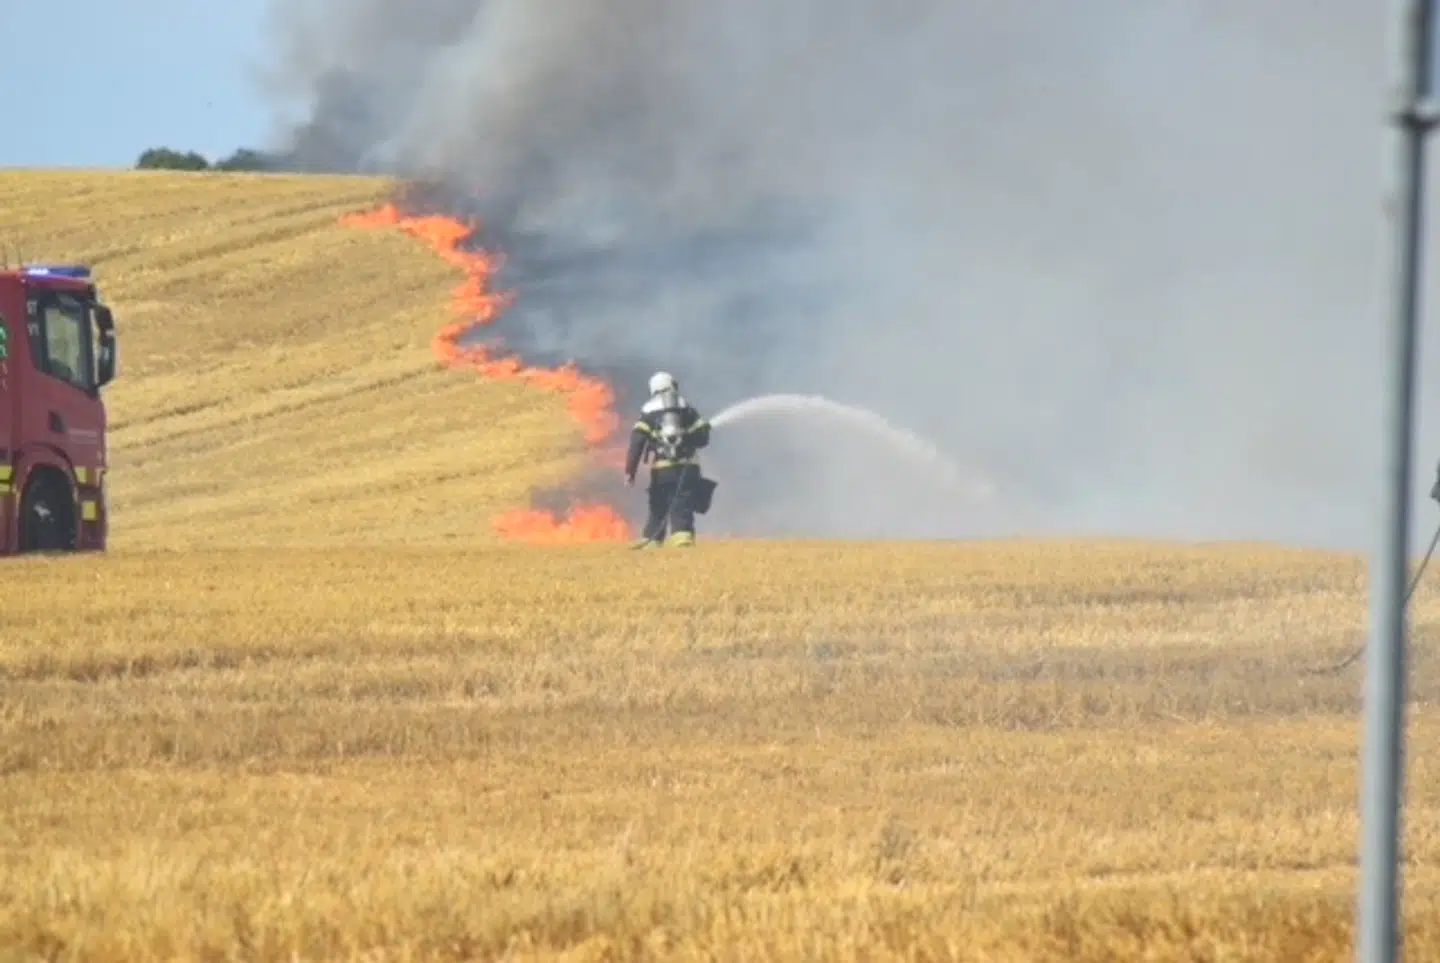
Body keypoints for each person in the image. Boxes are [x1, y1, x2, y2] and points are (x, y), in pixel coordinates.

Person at [625, 371, 712, 548]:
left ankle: (651, 539)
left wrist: (630, 471)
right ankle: (682, 537)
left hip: (662, 470)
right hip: (688, 468)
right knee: (682, 502)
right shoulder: (685, 407)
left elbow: (637, 442)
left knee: (658, 503)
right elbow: (703, 439)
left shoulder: (648, 410)